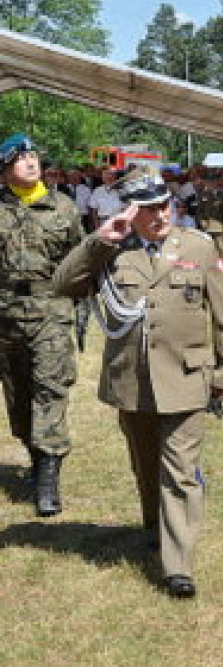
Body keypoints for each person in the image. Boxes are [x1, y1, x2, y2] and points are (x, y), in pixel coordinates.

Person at [52, 166, 223, 598]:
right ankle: (156, 527)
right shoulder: (113, 252)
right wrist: (101, 238)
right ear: (130, 211)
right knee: (145, 466)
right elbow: (64, 285)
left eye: (165, 205)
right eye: (149, 208)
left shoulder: (198, 245)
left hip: (187, 376)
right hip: (132, 381)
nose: (161, 215)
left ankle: (178, 566)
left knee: (179, 471)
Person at [0, 133, 83, 516]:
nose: (31, 163)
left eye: (34, 156)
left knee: (50, 389)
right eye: (20, 158)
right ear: (4, 171)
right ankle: (34, 460)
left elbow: (81, 264)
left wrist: (80, 311)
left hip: (50, 311)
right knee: (18, 394)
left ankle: (48, 483)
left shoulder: (64, 208)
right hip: (5, 314)